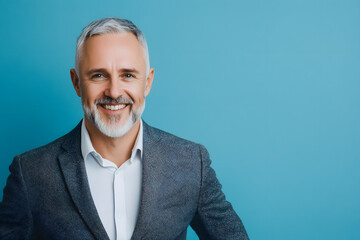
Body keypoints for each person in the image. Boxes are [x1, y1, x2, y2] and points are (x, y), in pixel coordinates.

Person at [0, 17, 249, 240]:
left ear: (148, 82)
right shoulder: (30, 172)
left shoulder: (192, 163)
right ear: (77, 83)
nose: (114, 92)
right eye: (98, 75)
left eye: (128, 75)